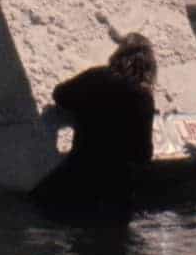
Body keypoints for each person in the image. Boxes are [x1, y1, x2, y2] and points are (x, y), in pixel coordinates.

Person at [33, 32, 158, 216]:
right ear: (149, 64)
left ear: (118, 54)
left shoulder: (96, 76)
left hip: (82, 173)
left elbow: (59, 95)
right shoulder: (143, 97)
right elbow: (143, 154)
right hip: (117, 189)